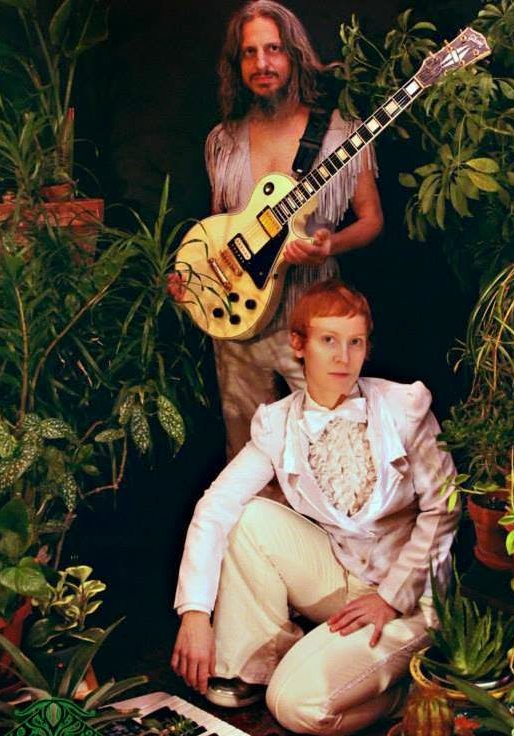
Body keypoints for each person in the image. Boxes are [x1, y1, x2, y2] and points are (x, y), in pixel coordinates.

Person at [171, 280, 459, 735]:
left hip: (408, 599)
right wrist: (194, 613)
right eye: (328, 340)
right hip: (341, 578)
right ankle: (254, 667)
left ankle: (405, 694)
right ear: (299, 345)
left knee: (296, 707)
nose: (343, 357)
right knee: (248, 517)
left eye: (355, 342)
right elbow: (216, 506)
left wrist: (390, 598)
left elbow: (444, 507)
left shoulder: (403, 407)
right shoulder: (279, 423)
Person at [168, 0, 383, 461]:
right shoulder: (224, 141)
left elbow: (371, 220)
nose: (261, 63)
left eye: (273, 49)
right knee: (247, 456)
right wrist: (196, 280)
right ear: (237, 63)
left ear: (295, 55)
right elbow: (220, 229)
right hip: (239, 323)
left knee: (334, 449)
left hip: (316, 316)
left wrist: (330, 245)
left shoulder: (341, 135)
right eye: (249, 52)